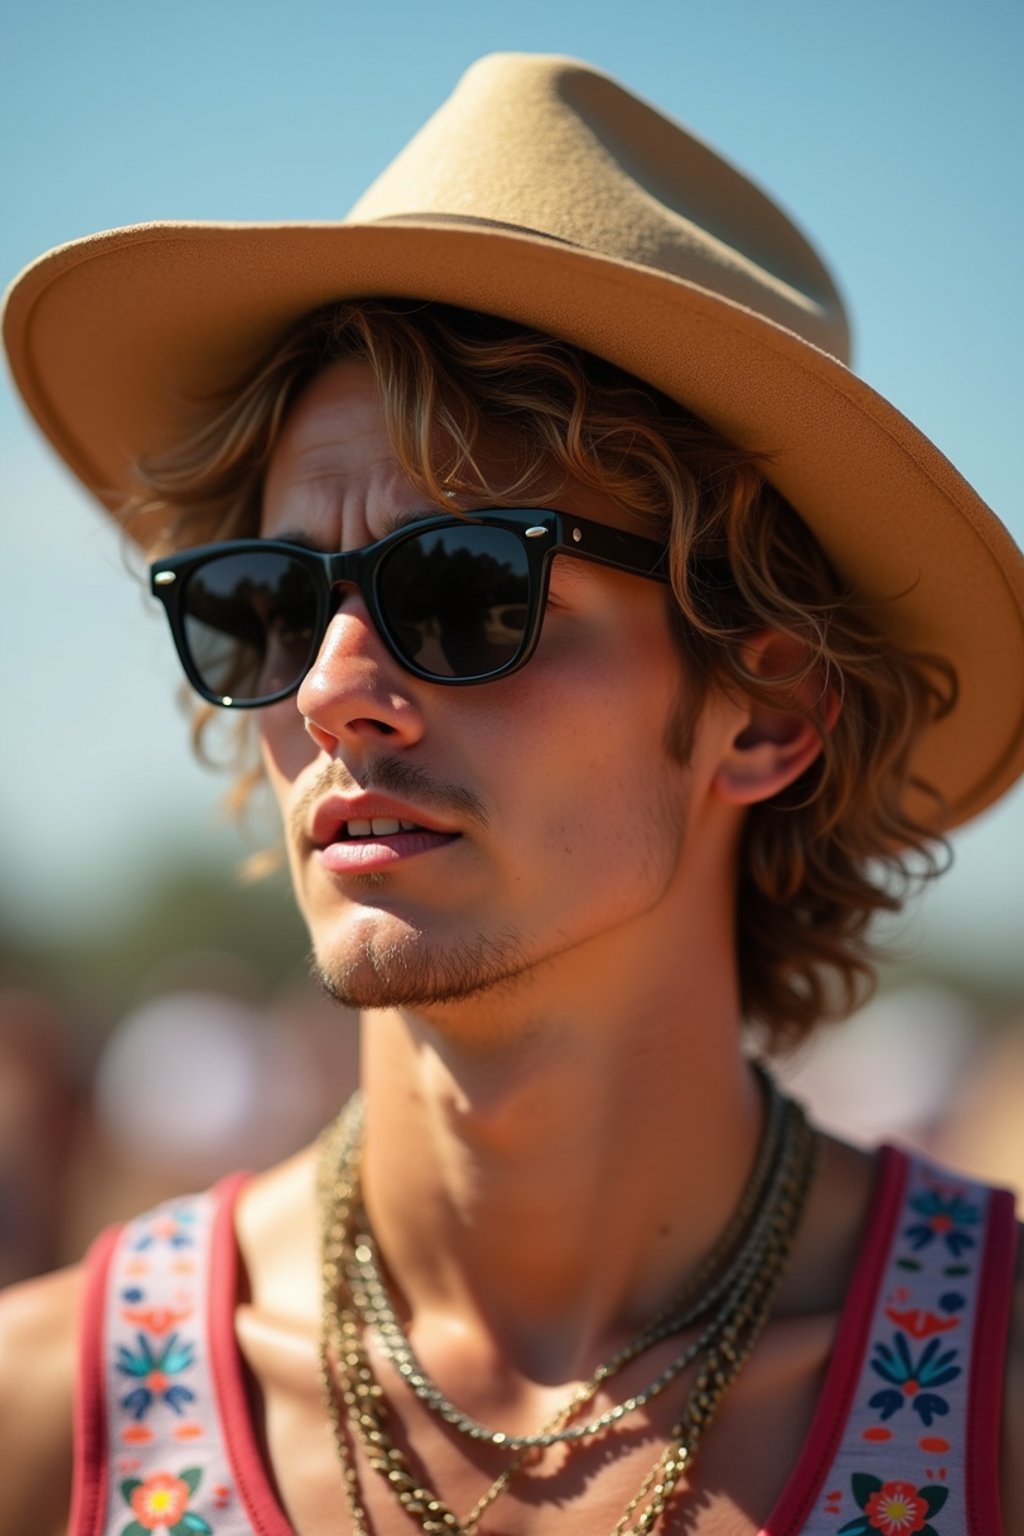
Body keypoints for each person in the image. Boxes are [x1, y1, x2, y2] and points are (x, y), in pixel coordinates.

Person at [1, 51, 1022, 1536]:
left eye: (465, 586)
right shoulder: (49, 1425)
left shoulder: (990, 1403)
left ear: (773, 710)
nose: (332, 686)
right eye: (268, 601)